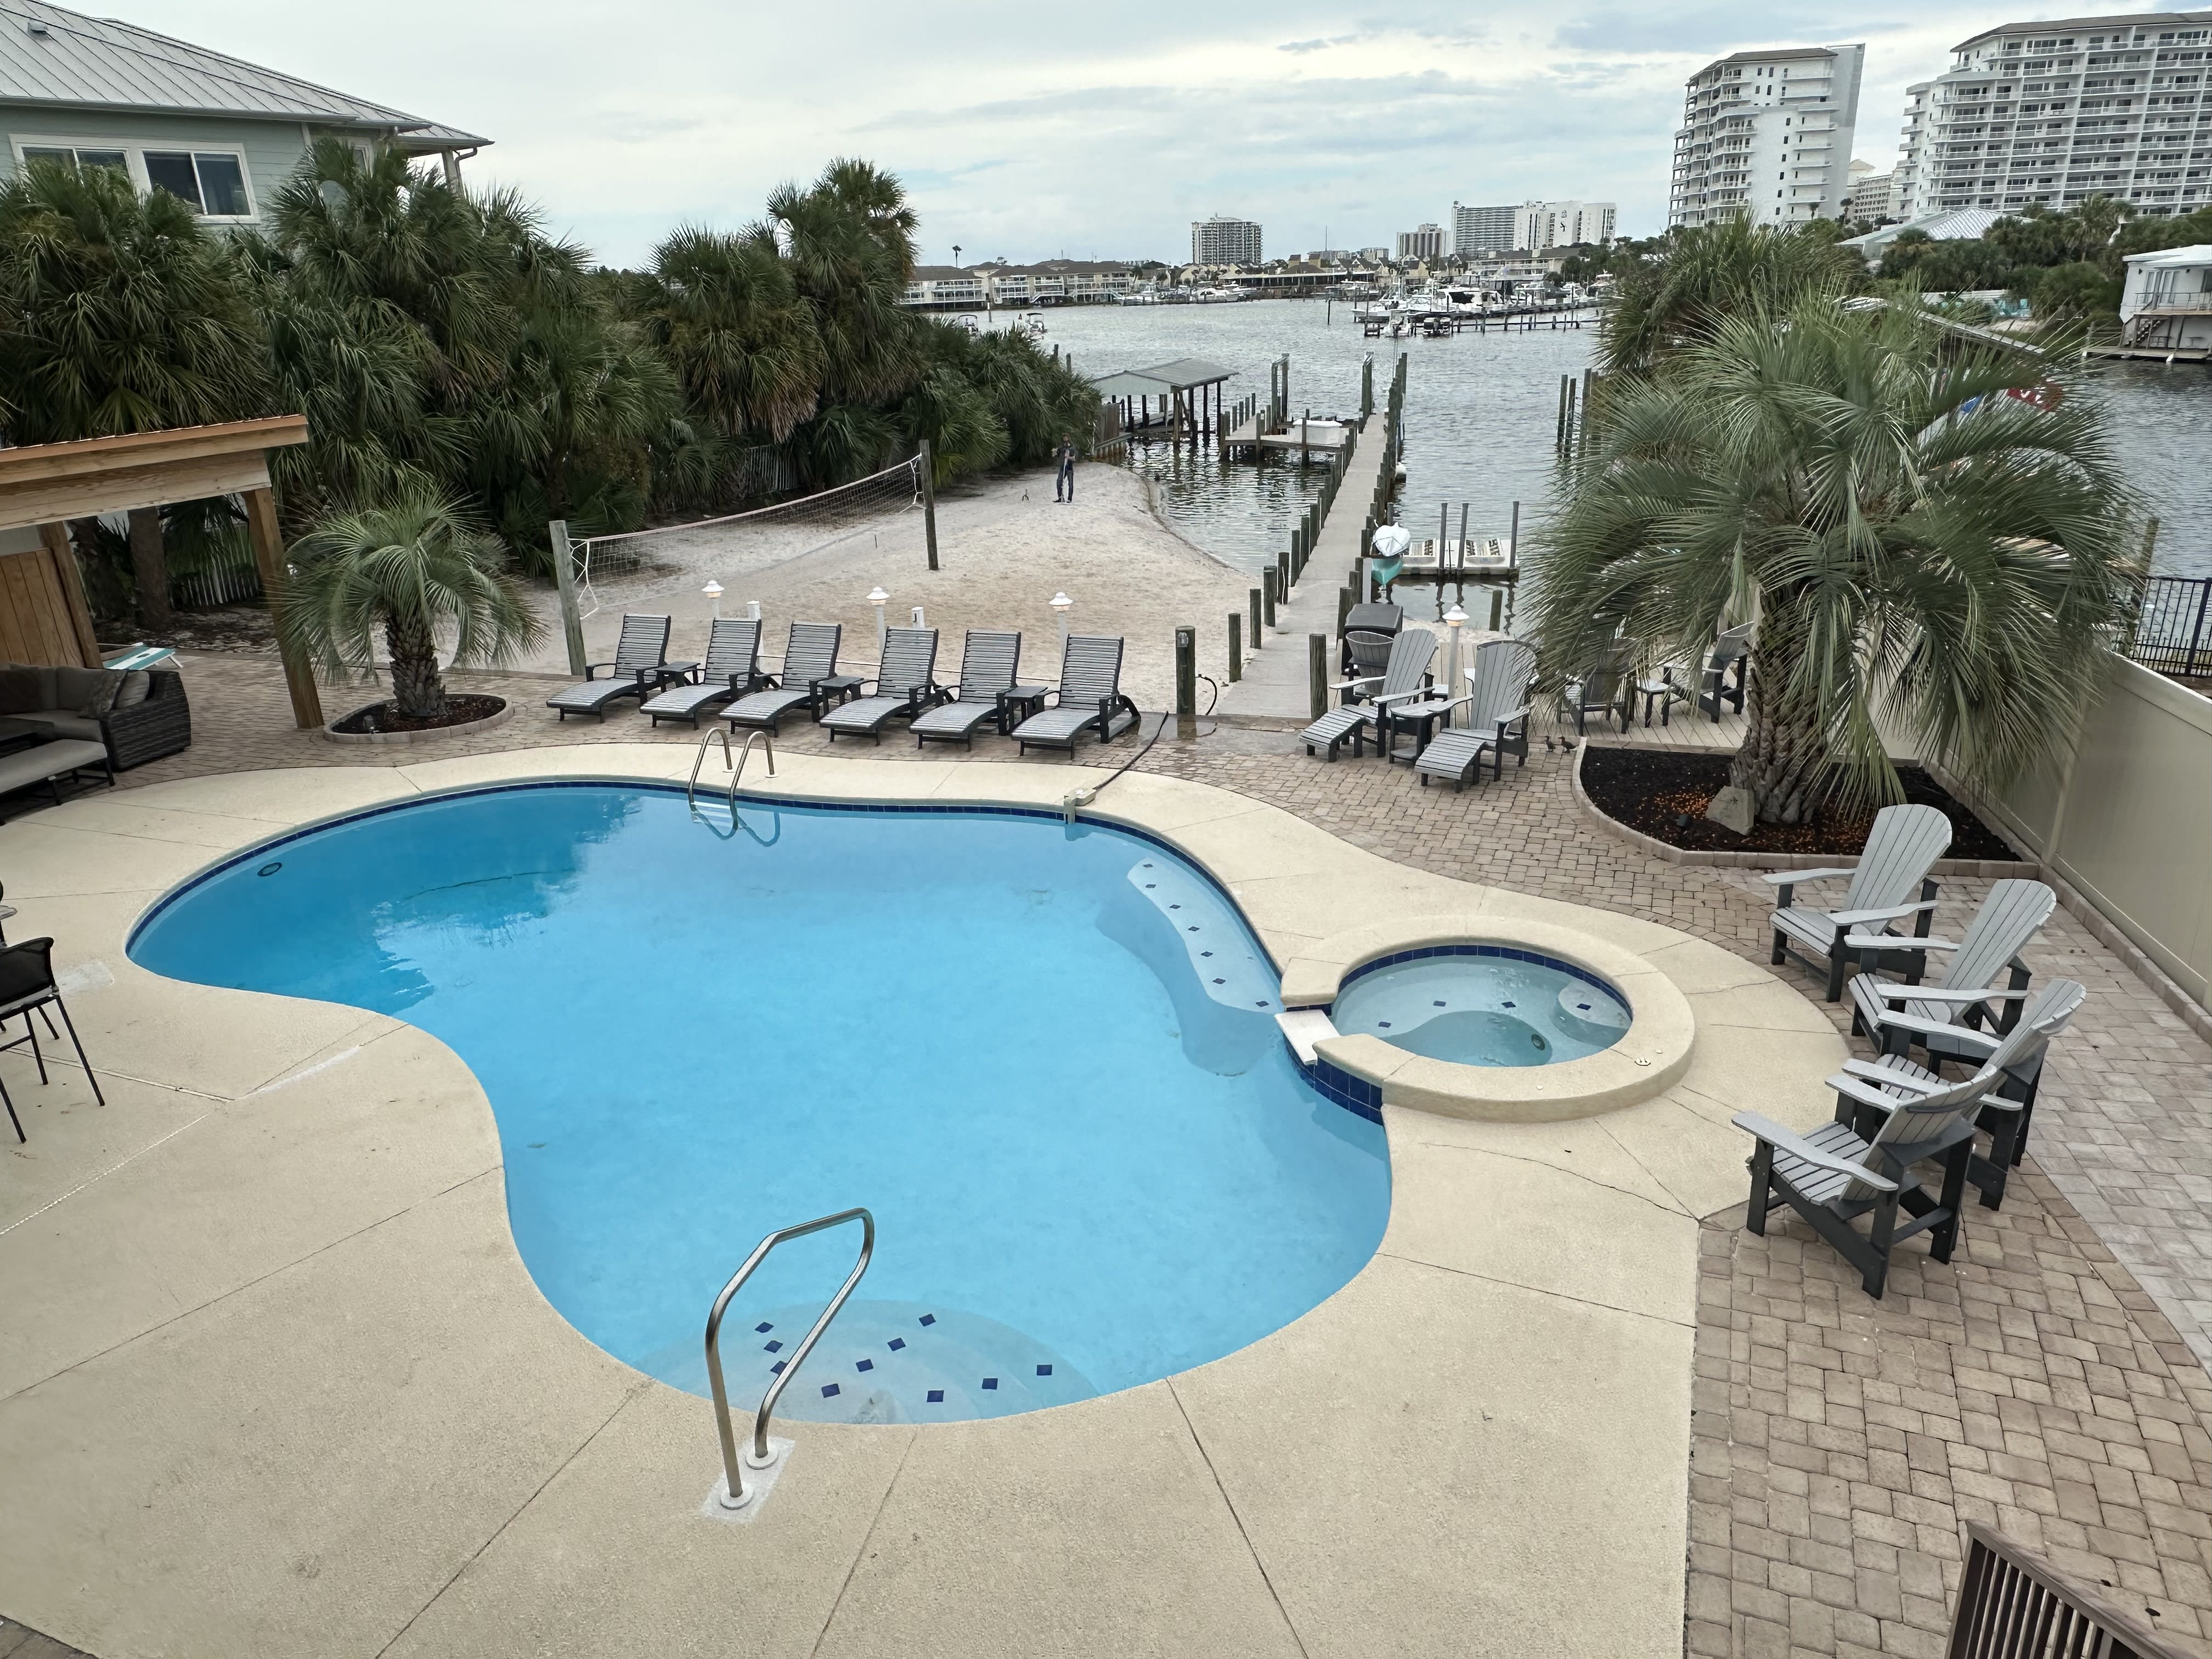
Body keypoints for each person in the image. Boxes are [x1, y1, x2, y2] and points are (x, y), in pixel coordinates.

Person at [1054, 439, 1076, 504]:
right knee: (1059, 482)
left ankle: (1070, 499)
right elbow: (1057, 455)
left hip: (1069, 468)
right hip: (1062, 467)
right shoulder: (1061, 449)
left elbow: (1074, 458)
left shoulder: (1072, 449)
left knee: (1070, 483)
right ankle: (1060, 497)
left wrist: (1068, 457)